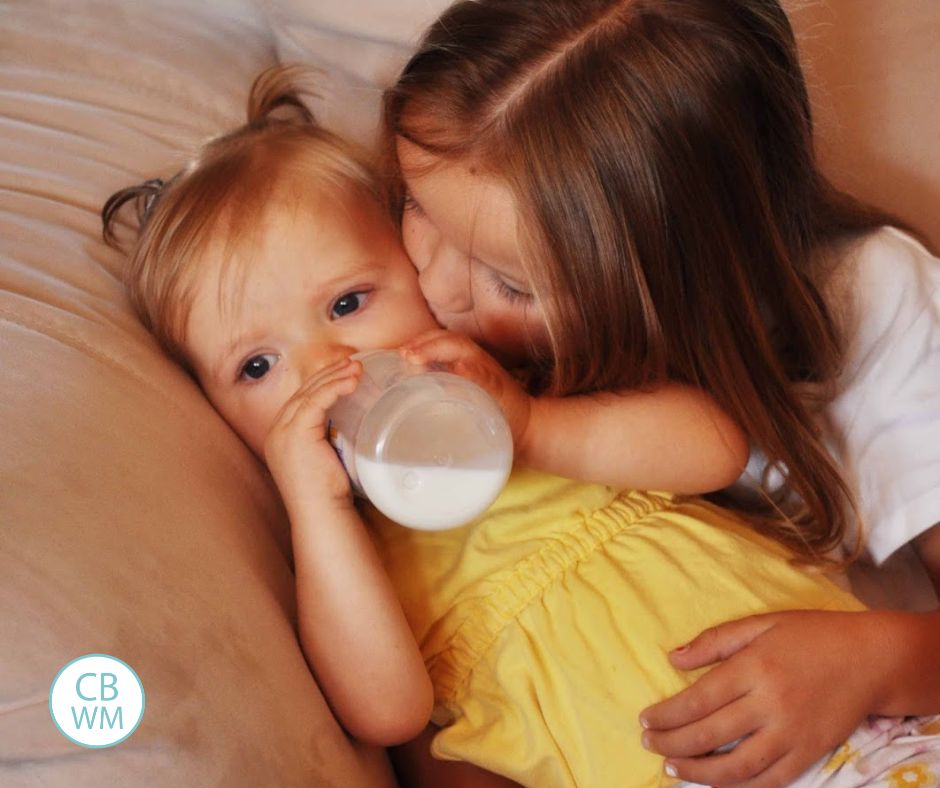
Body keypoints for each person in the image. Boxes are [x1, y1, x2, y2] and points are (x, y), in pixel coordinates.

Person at [102, 64, 926, 787]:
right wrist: (316, 510)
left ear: (418, 268)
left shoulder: (532, 390)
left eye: (349, 304)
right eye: (256, 366)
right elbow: (388, 711)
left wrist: (532, 425)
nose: (324, 365)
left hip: (865, 723)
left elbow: (718, 446)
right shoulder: (344, 550)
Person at [380, 0, 940, 785]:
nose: (433, 285)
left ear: (687, 270)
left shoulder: (868, 298)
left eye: (509, 282)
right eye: (414, 205)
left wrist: (876, 660)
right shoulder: (403, 313)